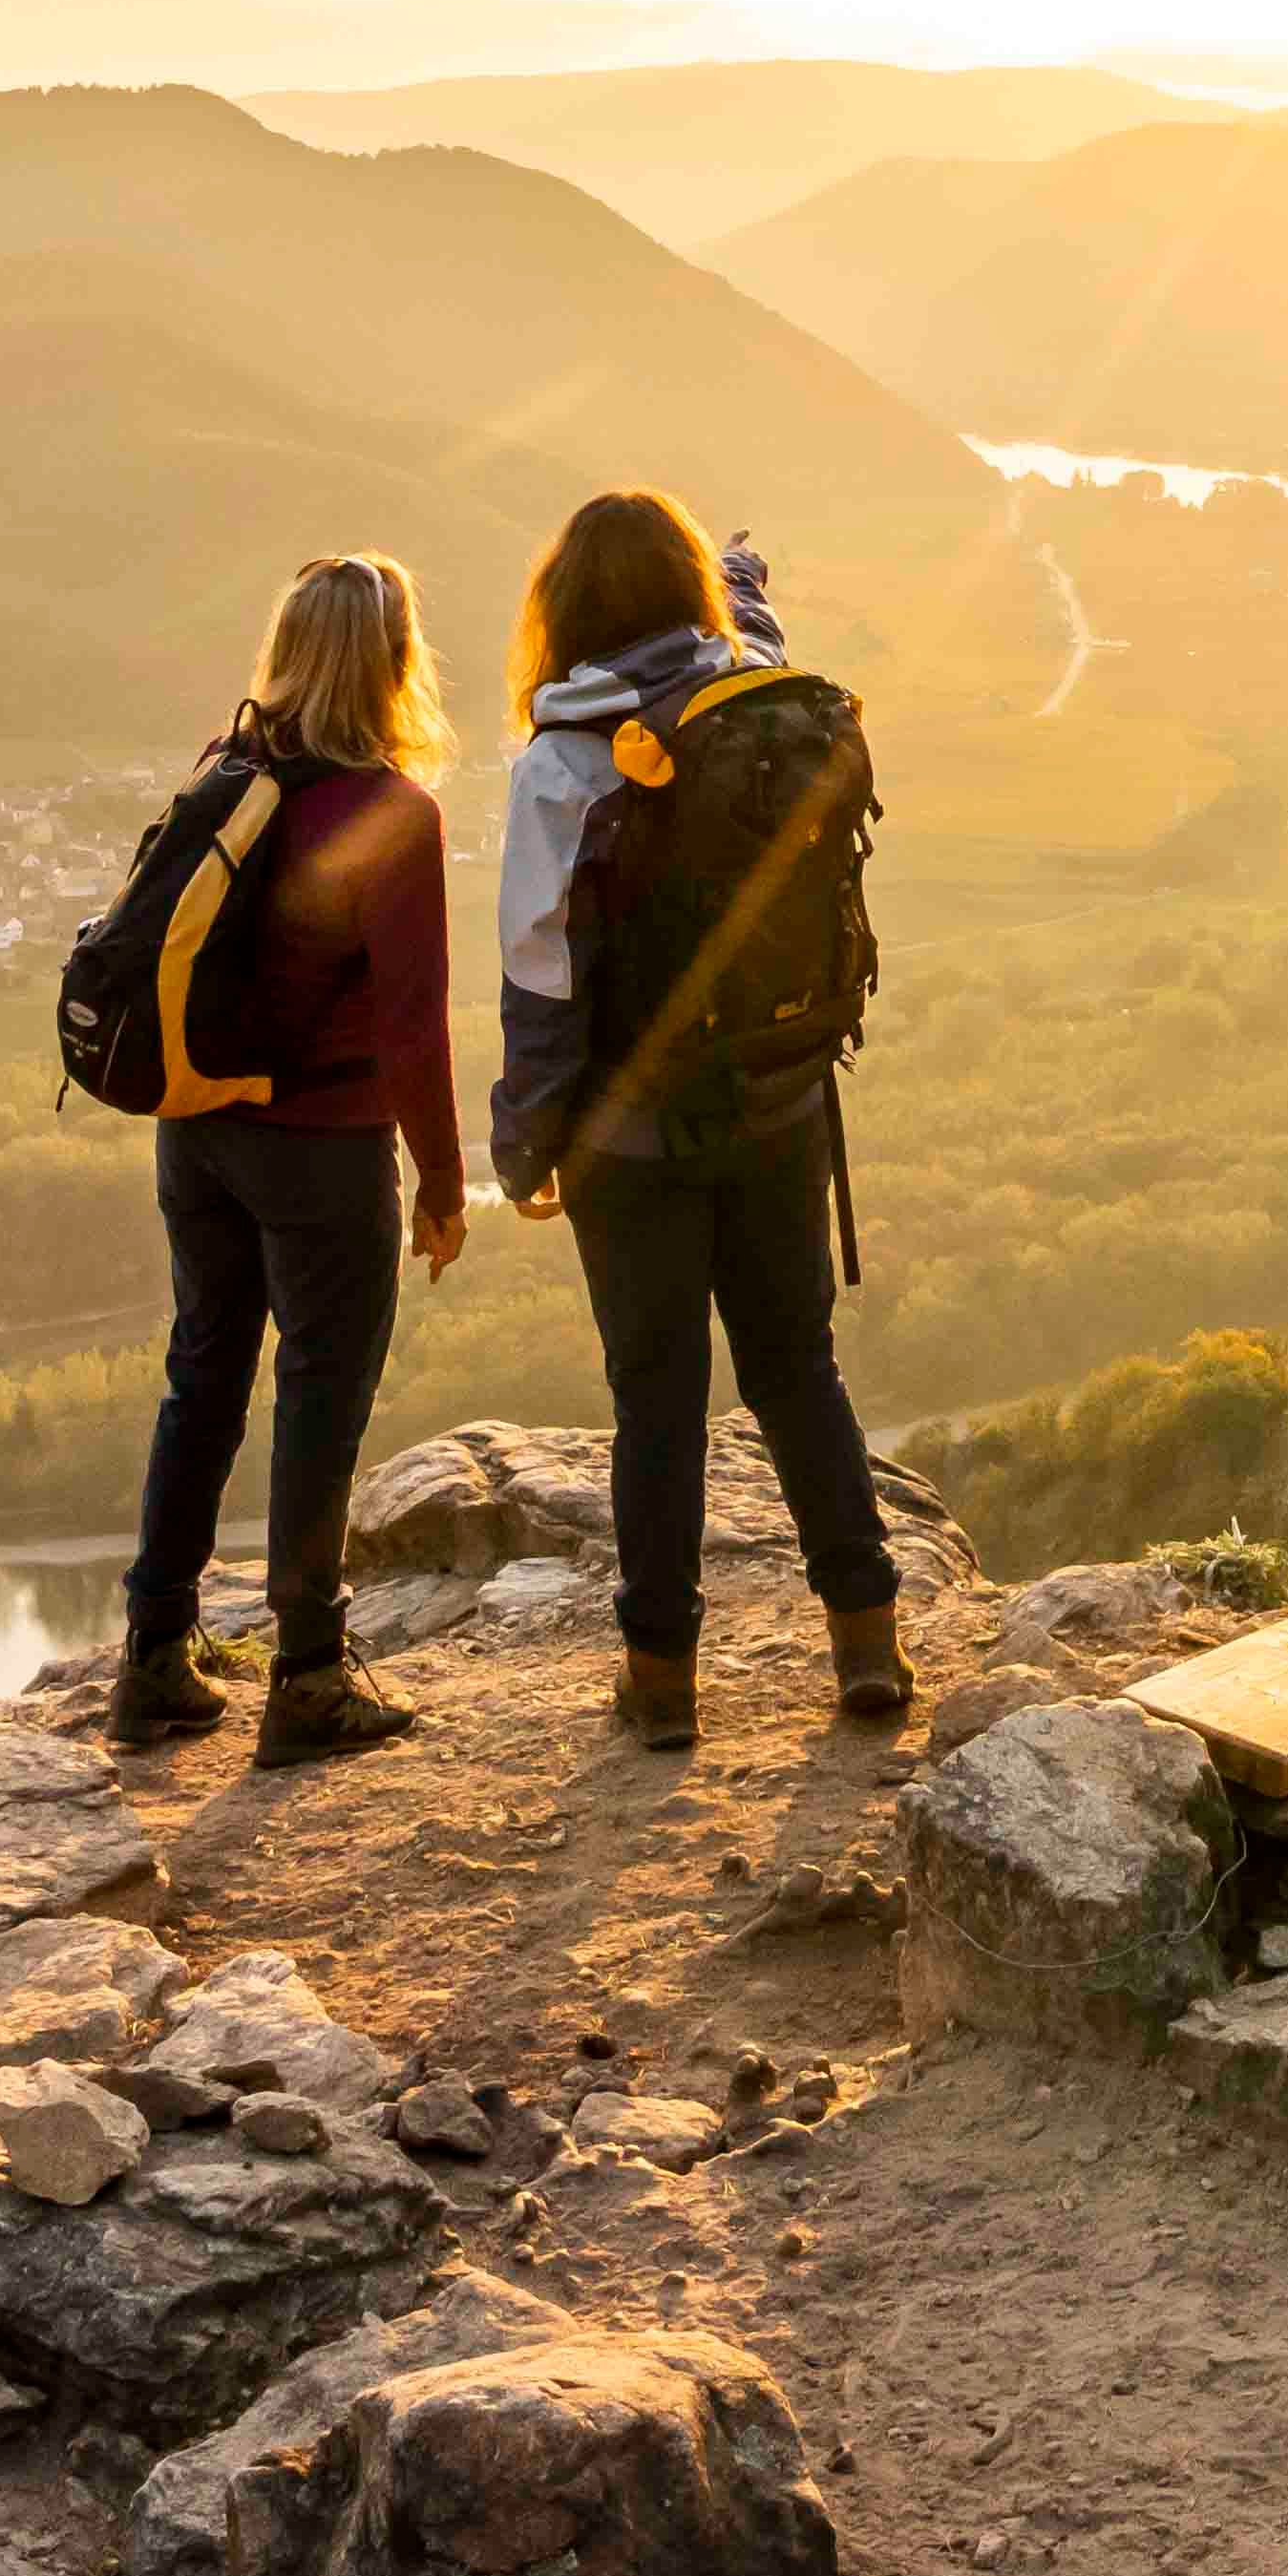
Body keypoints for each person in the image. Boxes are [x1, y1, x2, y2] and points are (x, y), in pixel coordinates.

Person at [490, 484, 905, 1747]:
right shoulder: (757, 702)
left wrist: (527, 1146)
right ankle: (867, 1648)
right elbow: (755, 624)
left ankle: (662, 1684)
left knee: (656, 1401)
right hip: (782, 1100)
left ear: (562, 614)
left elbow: (541, 974)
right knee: (797, 1371)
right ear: (692, 598)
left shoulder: (564, 759)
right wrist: (738, 568)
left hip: (632, 1139)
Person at [104, 554, 463, 1764]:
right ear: (397, 661)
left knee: (201, 1371)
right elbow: (414, 1027)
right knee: (319, 1392)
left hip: (196, 1128)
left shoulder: (228, 772)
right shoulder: (389, 813)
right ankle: (308, 1674)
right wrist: (446, 1188)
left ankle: (155, 1654)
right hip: (322, 1147)